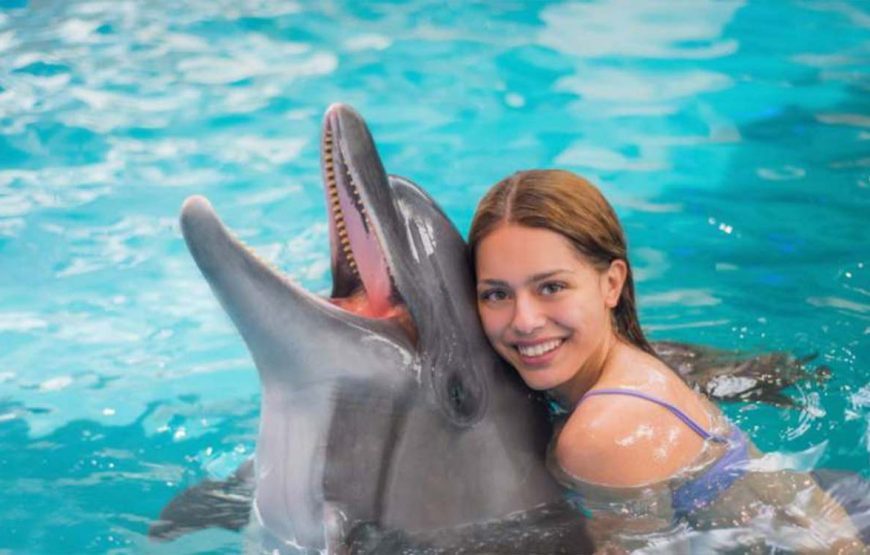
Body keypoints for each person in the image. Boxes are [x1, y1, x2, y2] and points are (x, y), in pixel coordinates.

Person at [469, 169, 863, 553]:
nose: (524, 320)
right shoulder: (634, 365)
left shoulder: (602, 433)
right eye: (496, 294)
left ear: (611, 283)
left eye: (551, 287)